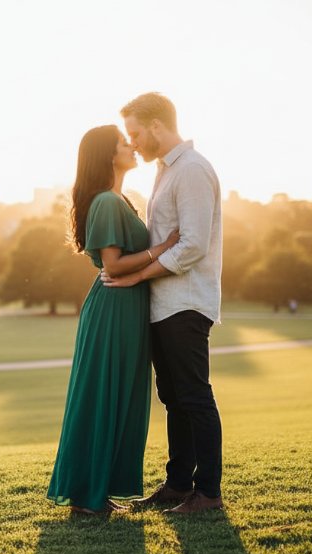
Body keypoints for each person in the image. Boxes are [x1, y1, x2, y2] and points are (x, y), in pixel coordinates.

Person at [46, 125, 180, 515]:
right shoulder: (106, 201)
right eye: (125, 143)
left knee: (117, 396)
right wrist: (164, 248)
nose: (133, 146)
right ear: (109, 155)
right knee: (104, 395)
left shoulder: (119, 199)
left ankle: (96, 492)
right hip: (113, 308)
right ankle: (88, 496)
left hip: (127, 307)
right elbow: (114, 265)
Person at [103, 92, 224, 514]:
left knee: (194, 395)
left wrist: (136, 274)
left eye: (135, 133)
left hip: (186, 303)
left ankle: (207, 493)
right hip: (164, 304)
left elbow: (191, 246)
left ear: (156, 126)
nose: (132, 142)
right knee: (173, 397)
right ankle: (177, 485)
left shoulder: (191, 170)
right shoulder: (165, 171)